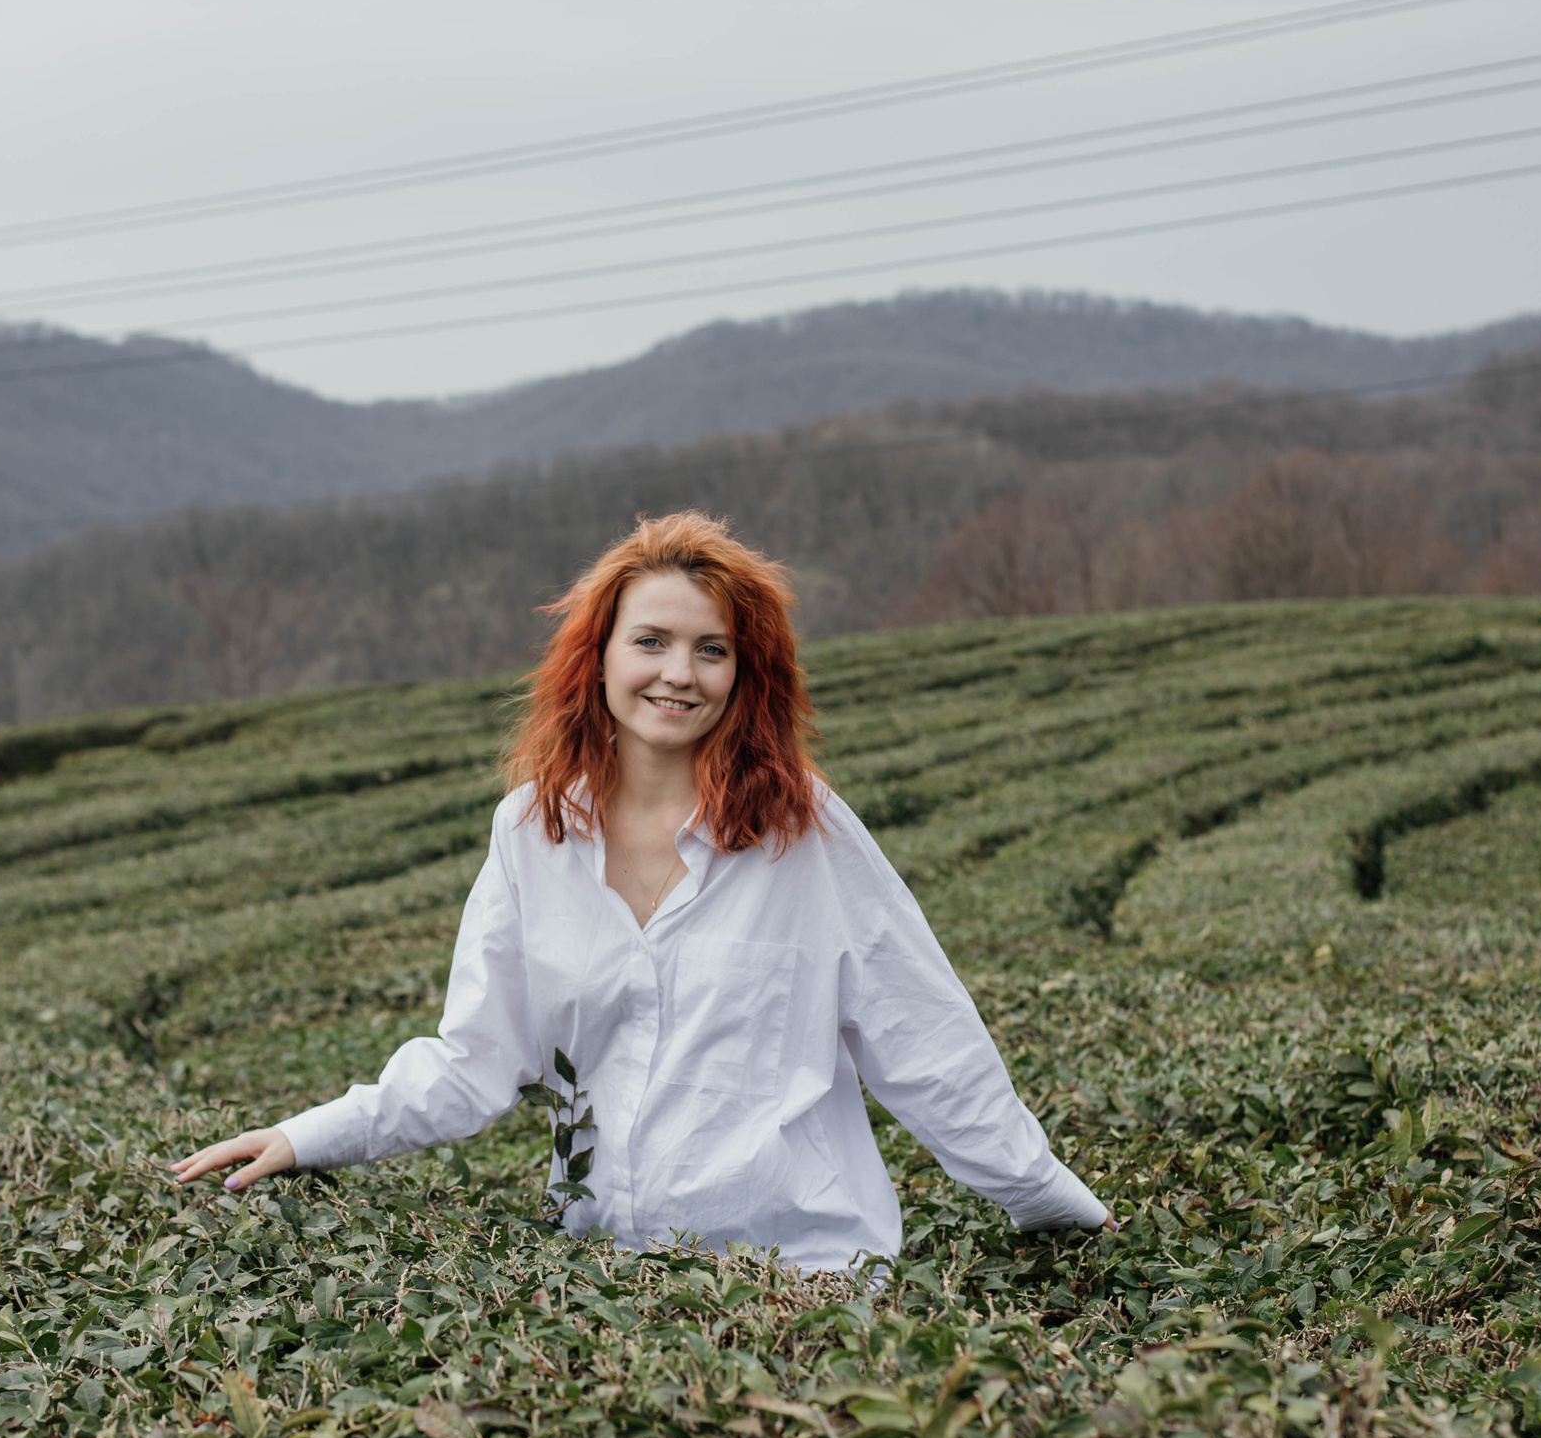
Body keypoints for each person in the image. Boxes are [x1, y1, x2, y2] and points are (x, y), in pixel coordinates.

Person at [169, 511, 1112, 1270]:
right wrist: (309, 1136)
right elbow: (474, 1059)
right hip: (606, 1277)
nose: (678, 673)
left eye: (712, 650)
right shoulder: (532, 832)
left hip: (804, 1274)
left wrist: (1049, 1201)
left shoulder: (807, 833)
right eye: (651, 640)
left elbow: (927, 1039)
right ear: (602, 657)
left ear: (747, 675)